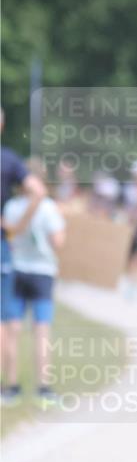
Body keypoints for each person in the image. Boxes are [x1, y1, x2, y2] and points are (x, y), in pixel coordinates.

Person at [1, 159, 66, 407]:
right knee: (41, 331)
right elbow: (58, 243)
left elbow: (8, 235)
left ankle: (11, 386)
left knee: (12, 329)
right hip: (43, 273)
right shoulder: (49, 208)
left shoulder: (12, 207)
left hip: (16, 270)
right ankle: (43, 388)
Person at [1, 108, 47, 405]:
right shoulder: (8, 160)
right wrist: (16, 227)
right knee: (7, 321)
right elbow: (39, 191)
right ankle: (11, 385)